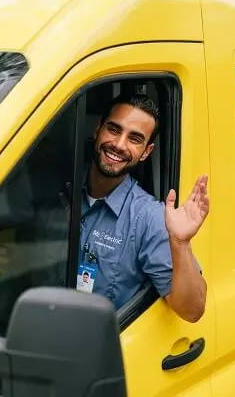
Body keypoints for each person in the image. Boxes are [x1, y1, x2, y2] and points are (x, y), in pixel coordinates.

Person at [62, 93, 208, 323]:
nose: (119, 145)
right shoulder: (61, 192)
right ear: (97, 129)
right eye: (114, 129)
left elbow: (192, 310)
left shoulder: (149, 218)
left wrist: (181, 244)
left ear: (146, 152)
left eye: (135, 139)